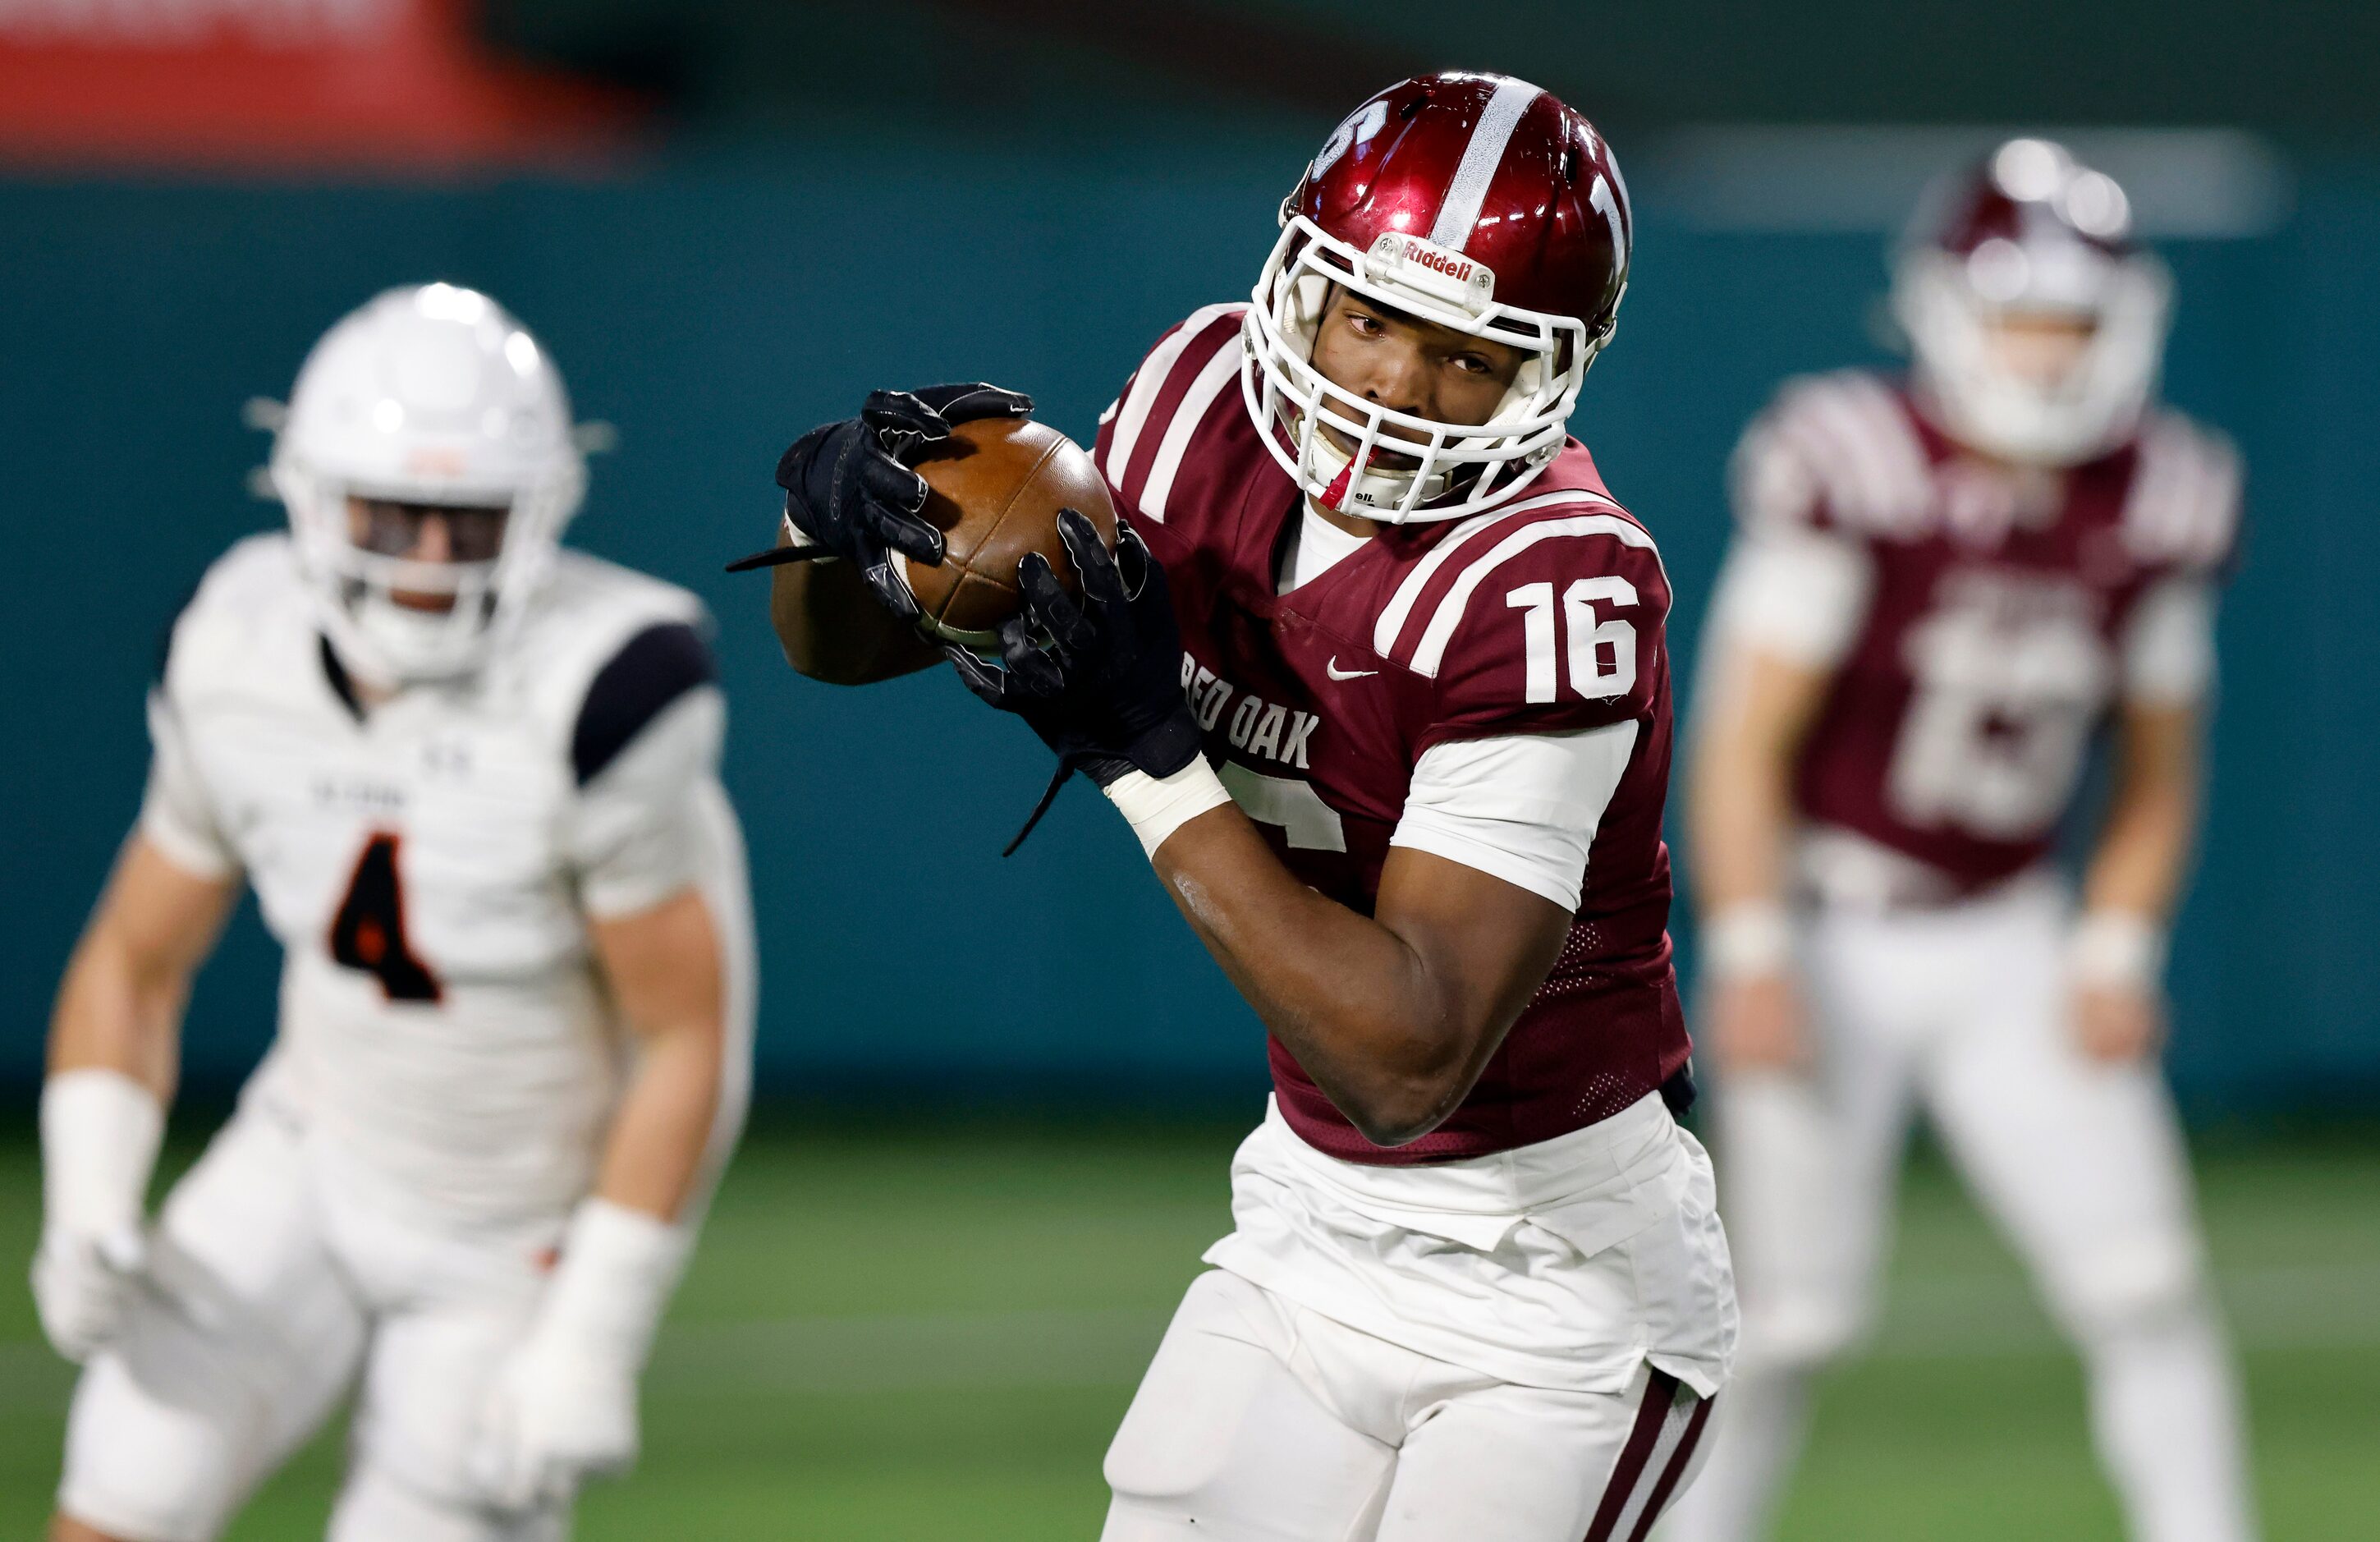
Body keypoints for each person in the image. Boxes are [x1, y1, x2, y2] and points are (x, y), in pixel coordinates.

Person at [762, 71, 1734, 1542]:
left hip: (1553, 1269)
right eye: (1371, 320)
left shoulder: (1556, 583)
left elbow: (1409, 1062)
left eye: (1468, 355)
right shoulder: (1197, 398)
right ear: (1299, 285)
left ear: (1555, 372)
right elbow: (847, 651)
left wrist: (1148, 764)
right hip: (1306, 1221)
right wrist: (836, 521)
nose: (1398, 387)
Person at [34, 282, 754, 1542]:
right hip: (309, 1151)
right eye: (399, 512)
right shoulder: (232, 646)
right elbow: (136, 960)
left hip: (509, 1225)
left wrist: (595, 1322)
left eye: (469, 521)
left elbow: (687, 1037)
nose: (429, 559)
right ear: (313, 497)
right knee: (120, 1489)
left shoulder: (608, 684)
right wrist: (89, 1189)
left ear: (538, 511)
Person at [1658, 140, 2256, 1542]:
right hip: (1824, 917)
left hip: (2007, 929)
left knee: (2145, 1279)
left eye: (2072, 322)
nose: (2044, 357)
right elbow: (1745, 741)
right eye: (2018, 318)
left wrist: (2118, 942)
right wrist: (1749, 950)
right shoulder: (1854, 460)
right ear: (1944, 313)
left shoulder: (2164, 494)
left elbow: (2162, 762)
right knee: (1783, 1319)